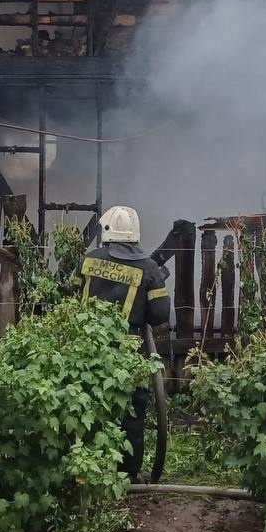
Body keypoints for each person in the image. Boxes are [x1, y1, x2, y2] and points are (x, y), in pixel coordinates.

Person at [75, 205, 171, 479]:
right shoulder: (149, 269)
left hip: (85, 353)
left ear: (106, 230)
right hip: (129, 360)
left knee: (86, 411)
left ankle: (86, 469)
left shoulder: (88, 261)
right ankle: (127, 476)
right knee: (131, 418)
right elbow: (160, 316)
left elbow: (70, 296)